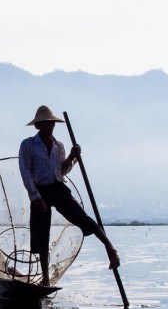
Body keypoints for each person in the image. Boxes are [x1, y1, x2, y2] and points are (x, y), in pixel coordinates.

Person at [18, 105, 120, 286]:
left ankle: (111, 250)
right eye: (47, 124)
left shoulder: (59, 146)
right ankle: (46, 279)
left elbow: (62, 171)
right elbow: (25, 173)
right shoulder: (28, 145)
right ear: (38, 125)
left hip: (57, 188)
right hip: (40, 191)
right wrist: (35, 197)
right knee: (41, 235)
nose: (50, 127)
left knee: (82, 218)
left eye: (52, 124)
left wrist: (72, 157)